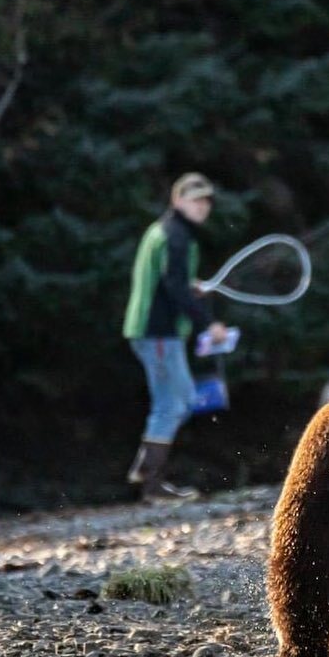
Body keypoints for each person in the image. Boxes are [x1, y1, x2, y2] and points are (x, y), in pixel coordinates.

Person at [122, 172, 227, 502]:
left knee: (175, 401)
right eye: (195, 199)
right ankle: (151, 484)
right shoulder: (176, 236)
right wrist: (208, 325)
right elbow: (175, 288)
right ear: (177, 200)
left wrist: (189, 286)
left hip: (155, 331)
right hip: (157, 332)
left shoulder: (165, 231)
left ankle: (145, 468)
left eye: (206, 200)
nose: (202, 206)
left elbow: (171, 279)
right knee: (174, 402)